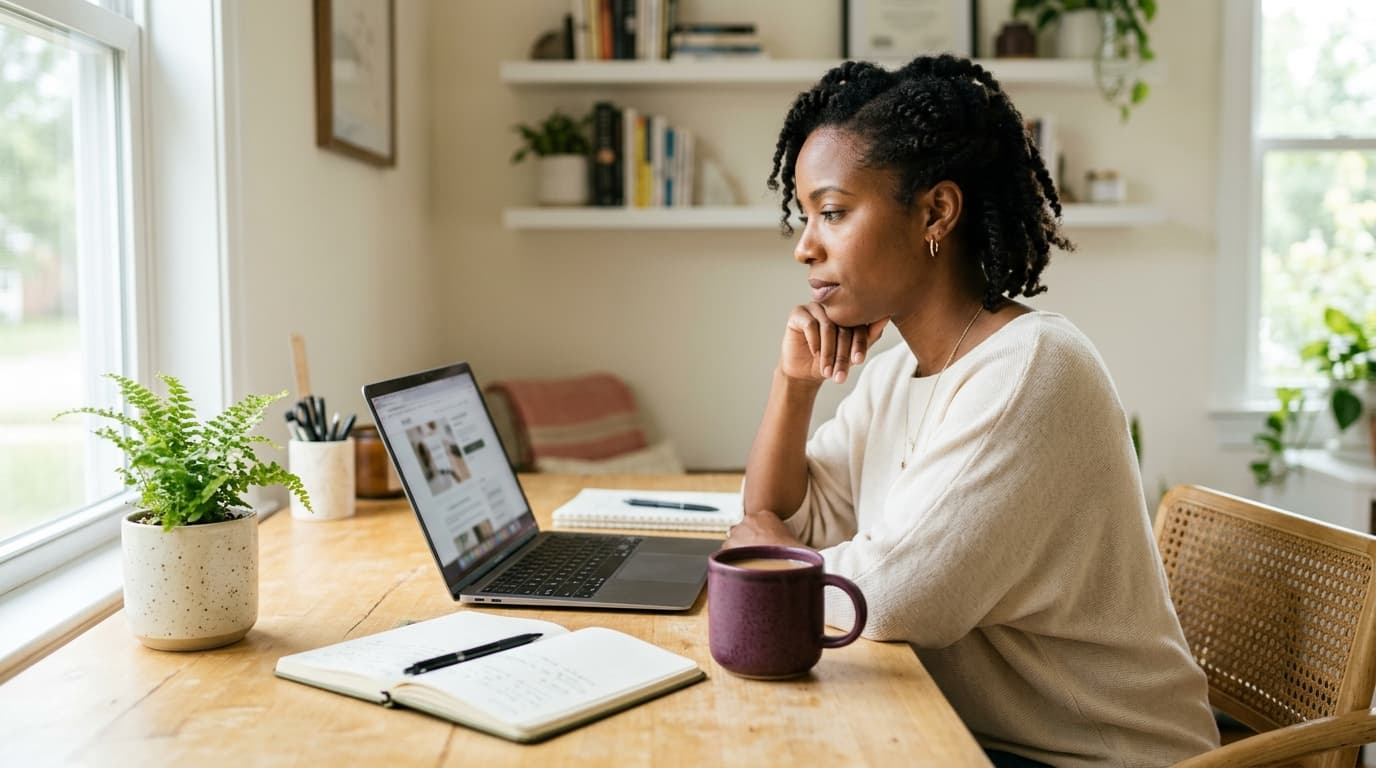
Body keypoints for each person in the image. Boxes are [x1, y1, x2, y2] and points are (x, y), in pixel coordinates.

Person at [723, 55, 1218, 767]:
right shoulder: (898, 375)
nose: (805, 247)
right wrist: (792, 384)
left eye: (831, 212)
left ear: (936, 212)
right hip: (974, 741)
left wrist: (769, 550)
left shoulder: (1030, 369)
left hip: (1095, 758)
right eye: (805, 217)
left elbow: (884, 599)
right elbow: (790, 522)